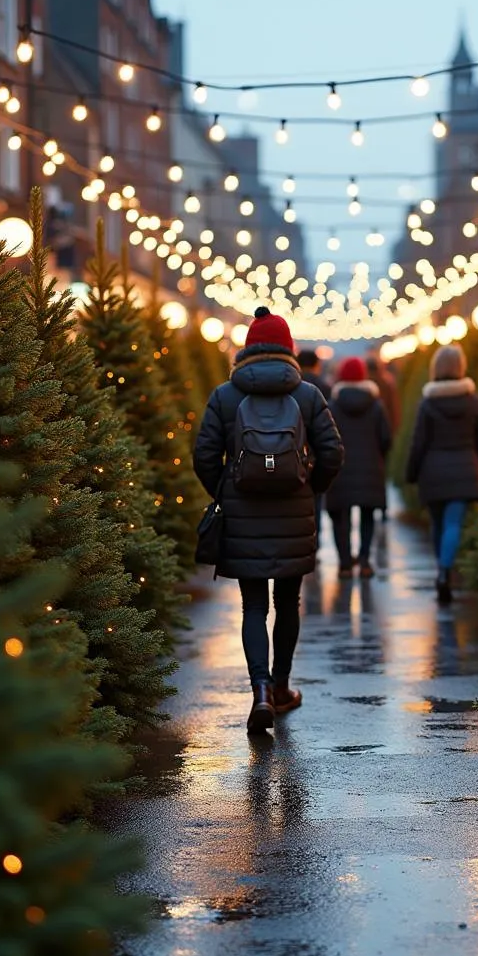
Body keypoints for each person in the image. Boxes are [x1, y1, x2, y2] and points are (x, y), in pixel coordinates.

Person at [194, 306, 344, 734]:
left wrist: (225, 492)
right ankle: (281, 687)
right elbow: (332, 452)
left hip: (242, 516)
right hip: (294, 514)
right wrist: (311, 487)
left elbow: (204, 455)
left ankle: (259, 691)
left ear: (246, 349)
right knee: (288, 604)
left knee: (253, 606)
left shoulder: (225, 396)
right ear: (289, 350)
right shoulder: (308, 395)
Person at [405, 343, 478, 605]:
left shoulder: (428, 403)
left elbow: (418, 442)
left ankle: (440, 569)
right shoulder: (472, 401)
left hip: (433, 472)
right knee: (453, 524)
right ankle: (445, 572)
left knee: (438, 524)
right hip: (465, 470)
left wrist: (411, 472)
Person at [326, 356, 392, 579]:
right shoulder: (376, 405)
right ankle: (364, 561)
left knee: (339, 516)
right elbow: (386, 438)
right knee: (368, 515)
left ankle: (345, 563)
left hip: (341, 469)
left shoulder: (333, 405)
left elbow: (326, 439)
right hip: (370, 468)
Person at [297, 347, 332, 546]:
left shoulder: (292, 386)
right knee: (315, 501)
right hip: (314, 455)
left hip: (290, 454)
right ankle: (314, 540)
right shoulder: (323, 388)